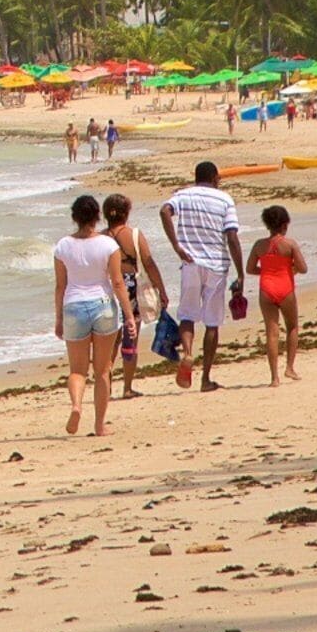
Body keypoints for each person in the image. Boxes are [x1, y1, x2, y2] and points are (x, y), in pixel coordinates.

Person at [161, 160, 243, 391]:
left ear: (196, 177)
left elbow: (164, 211)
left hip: (190, 262)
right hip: (216, 265)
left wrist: (177, 246)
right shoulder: (224, 199)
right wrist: (240, 273)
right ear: (215, 178)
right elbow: (232, 237)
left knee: (187, 315)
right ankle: (205, 379)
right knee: (212, 323)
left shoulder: (183, 195)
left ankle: (187, 354)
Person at [52, 195, 125, 437]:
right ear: (97, 216)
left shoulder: (63, 246)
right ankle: (99, 425)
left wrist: (59, 319)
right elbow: (117, 282)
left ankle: (76, 406)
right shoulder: (108, 245)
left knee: (77, 370)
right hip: (103, 305)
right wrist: (129, 315)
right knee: (103, 370)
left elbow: (60, 286)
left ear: (74, 217)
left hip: (73, 305)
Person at [102, 192, 167, 398]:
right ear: (126, 213)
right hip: (131, 288)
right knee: (131, 338)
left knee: (110, 340)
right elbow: (148, 262)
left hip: (108, 288)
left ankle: (106, 386)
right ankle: (127, 387)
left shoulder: (100, 237)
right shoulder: (135, 235)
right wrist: (161, 290)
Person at [248, 204, 306, 384]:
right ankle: (289, 368)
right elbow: (303, 268)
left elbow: (250, 269)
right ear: (284, 225)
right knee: (292, 327)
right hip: (285, 286)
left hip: (266, 288)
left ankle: (274, 377)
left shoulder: (259, 245)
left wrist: (266, 271)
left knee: (271, 333)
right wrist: (290, 269)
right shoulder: (290, 244)